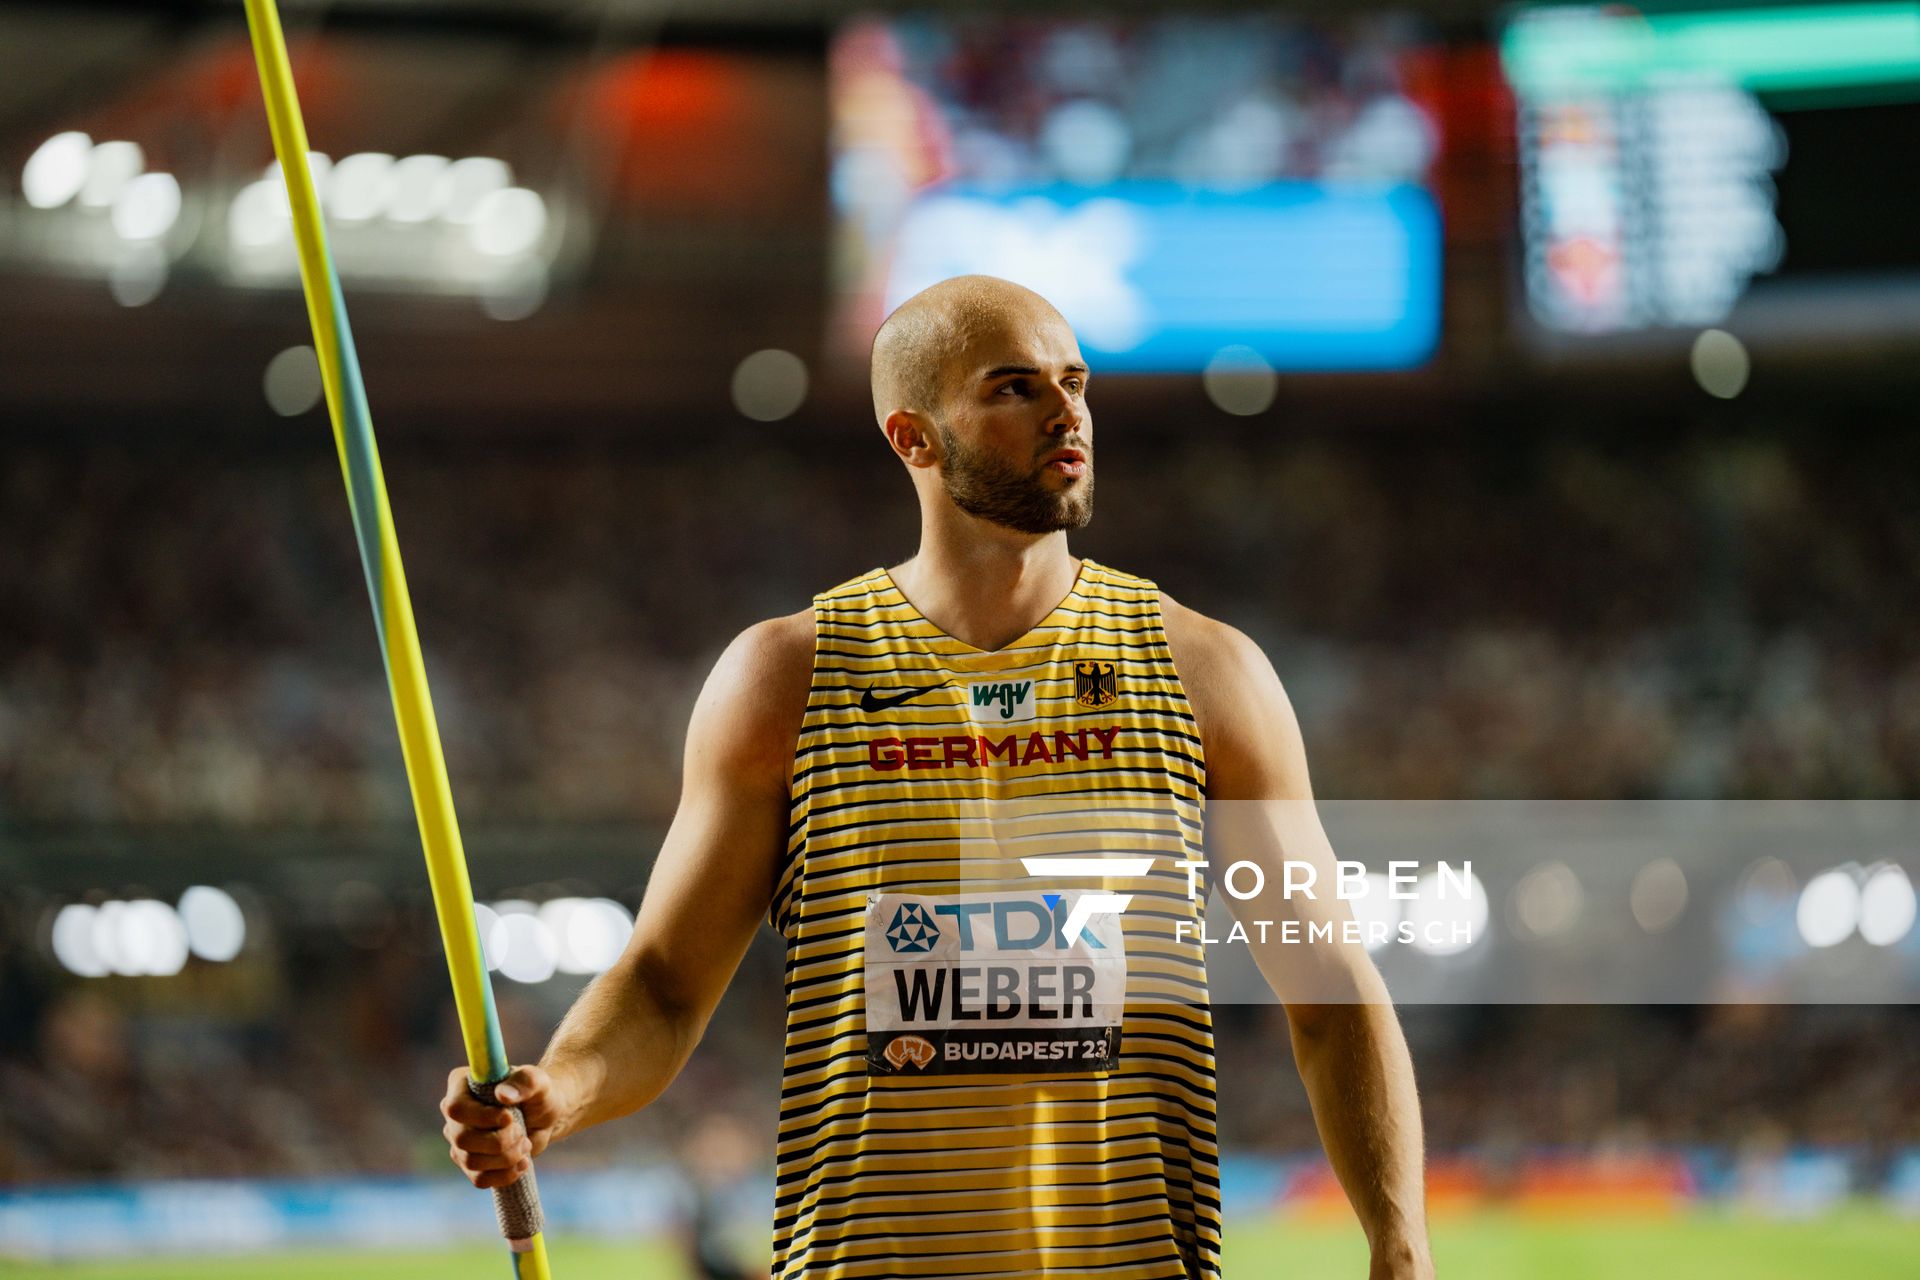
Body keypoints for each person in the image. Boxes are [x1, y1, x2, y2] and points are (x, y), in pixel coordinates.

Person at [440, 275, 1435, 1279]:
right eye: (1014, 387)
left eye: (1075, 380)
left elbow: (1331, 988)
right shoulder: (788, 677)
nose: (1066, 411)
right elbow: (660, 987)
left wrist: (1399, 1242)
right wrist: (557, 1089)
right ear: (912, 437)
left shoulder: (1204, 669)